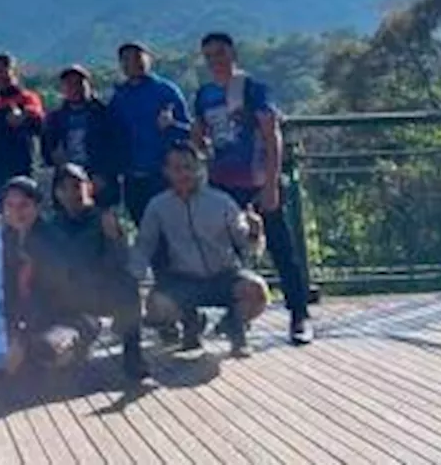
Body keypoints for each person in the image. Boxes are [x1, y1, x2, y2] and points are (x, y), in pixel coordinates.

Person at [193, 32, 313, 345]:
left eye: (219, 53)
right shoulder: (205, 94)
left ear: (232, 53)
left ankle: (299, 315)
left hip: (257, 182)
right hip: (222, 184)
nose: (214, 60)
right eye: (208, 56)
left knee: (281, 249)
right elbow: (199, 134)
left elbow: (272, 135)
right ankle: (238, 317)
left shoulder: (254, 89)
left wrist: (271, 184)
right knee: (229, 256)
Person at [129, 144, 269, 357]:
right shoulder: (158, 206)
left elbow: (247, 245)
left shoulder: (221, 202)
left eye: (188, 167)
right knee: (156, 306)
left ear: (199, 168)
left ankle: (234, 326)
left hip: (225, 276)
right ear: (166, 172)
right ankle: (191, 323)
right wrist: (131, 278)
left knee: (257, 291)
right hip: (184, 279)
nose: (184, 174)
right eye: (176, 168)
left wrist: (255, 232)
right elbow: (144, 245)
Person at [43, 164, 148, 378]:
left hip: (100, 291)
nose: (72, 193)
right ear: (56, 193)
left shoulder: (104, 219)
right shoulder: (51, 226)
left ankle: (133, 355)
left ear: (89, 188)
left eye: (76, 186)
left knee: (128, 286)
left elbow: (121, 262)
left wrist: (114, 239)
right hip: (67, 299)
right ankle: (74, 345)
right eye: (64, 188)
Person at [0, 176, 92, 373]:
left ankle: (73, 351)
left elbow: (59, 296)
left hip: (64, 317)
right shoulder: (0, 241)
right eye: (10, 205)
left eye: (24, 205)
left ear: (38, 207)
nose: (17, 212)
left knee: (48, 350)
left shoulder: (54, 240)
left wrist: (22, 337)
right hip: (22, 319)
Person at [108, 42, 190, 226]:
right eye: (126, 59)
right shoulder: (119, 98)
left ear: (149, 59)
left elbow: (190, 133)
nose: (132, 63)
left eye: (137, 57)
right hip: (133, 179)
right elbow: (112, 137)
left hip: (165, 176)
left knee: (174, 230)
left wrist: (172, 125)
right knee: (146, 233)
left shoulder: (166, 91)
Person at [42, 65, 121, 207]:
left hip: (99, 181)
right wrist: (54, 157)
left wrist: (105, 175)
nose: (74, 88)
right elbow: (47, 151)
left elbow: (117, 148)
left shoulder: (105, 115)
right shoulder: (55, 119)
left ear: (89, 85)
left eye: (79, 83)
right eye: (69, 84)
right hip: (67, 182)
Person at [0, 53, 45, 195]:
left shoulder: (27, 98)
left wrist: (23, 116)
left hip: (20, 167)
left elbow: (39, 123)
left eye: (1, 71)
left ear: (12, 71)